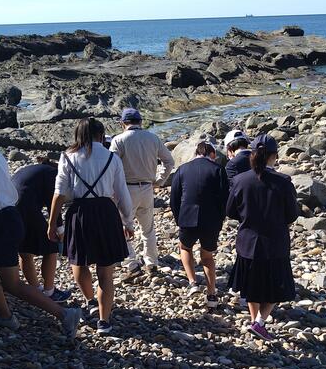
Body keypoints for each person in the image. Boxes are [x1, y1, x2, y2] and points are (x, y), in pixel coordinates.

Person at [0, 106, 81, 340]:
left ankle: (65, 314)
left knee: (12, 284)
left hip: (1, 222)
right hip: (5, 218)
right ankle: (5, 316)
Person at [48, 118, 134, 335]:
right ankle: (104, 321)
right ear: (101, 135)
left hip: (79, 212)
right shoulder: (112, 157)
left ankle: (90, 300)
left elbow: (59, 193)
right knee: (105, 271)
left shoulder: (67, 156)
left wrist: (52, 223)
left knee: (78, 261)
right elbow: (122, 193)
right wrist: (128, 221)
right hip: (106, 212)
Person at [226, 134, 298, 340]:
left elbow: (230, 211)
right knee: (276, 287)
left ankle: (254, 321)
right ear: (274, 156)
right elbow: (292, 215)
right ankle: (259, 322)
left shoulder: (240, 180)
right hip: (275, 243)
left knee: (252, 286)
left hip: (247, 242)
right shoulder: (283, 182)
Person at [109, 108, 175, 281]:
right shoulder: (153, 138)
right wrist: (159, 181)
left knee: (124, 226)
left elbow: (111, 166)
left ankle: (132, 264)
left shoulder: (118, 140)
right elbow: (169, 161)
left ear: (123, 123)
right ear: (140, 122)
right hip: (147, 187)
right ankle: (151, 263)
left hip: (126, 188)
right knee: (148, 228)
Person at [170, 136, 229, 308]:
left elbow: (174, 197)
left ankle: (193, 282)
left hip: (187, 217)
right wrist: (220, 218)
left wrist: (178, 218)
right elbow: (224, 198)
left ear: (196, 153)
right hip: (211, 220)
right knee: (207, 257)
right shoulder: (218, 170)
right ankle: (211, 295)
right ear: (212, 154)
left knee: (185, 248)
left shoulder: (182, 169)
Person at [11, 156, 71, 302]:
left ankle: (35, 290)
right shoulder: (54, 175)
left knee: (25, 250)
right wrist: (60, 230)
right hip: (26, 206)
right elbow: (53, 205)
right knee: (51, 247)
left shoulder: (33, 169)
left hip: (8, 206)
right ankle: (50, 292)